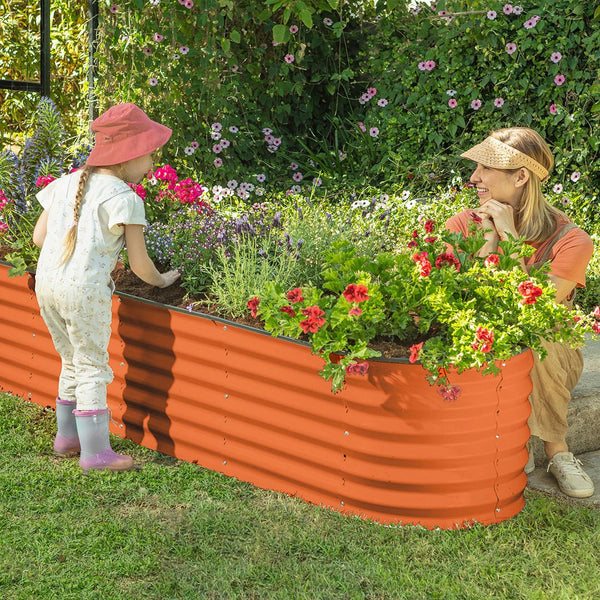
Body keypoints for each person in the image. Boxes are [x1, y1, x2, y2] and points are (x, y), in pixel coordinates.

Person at [446, 126, 595, 499]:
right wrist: (485, 249)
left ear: (521, 177)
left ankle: (557, 451)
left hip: (551, 349)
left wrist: (511, 243)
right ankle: (513, 436)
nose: (473, 178)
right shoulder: (463, 225)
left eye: (485, 169)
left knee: (538, 335)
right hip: (484, 339)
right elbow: (456, 304)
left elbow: (535, 307)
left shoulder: (571, 240)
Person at [32, 103, 180, 472]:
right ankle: (95, 453)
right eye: (149, 154)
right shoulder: (125, 200)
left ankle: (66, 438)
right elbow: (140, 266)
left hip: (48, 285)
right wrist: (163, 280)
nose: (151, 163)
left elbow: (38, 238)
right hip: (84, 292)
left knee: (71, 360)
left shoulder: (65, 183)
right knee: (94, 366)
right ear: (128, 155)